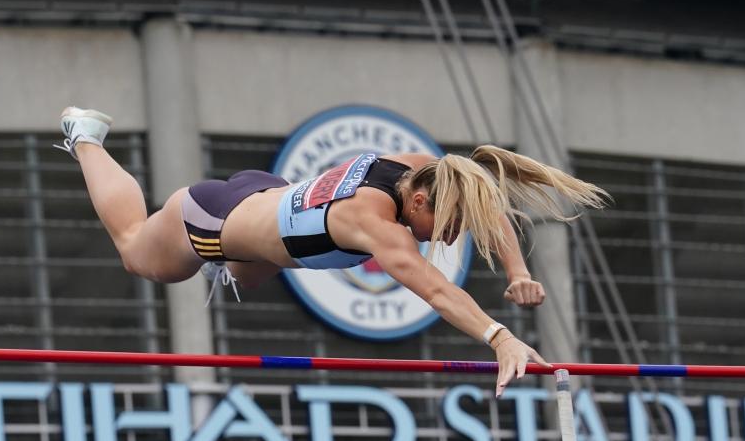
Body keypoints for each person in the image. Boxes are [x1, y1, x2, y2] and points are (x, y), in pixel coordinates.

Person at [57, 107, 608, 397]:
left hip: (266, 197)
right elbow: (438, 291)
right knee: (136, 251)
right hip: (210, 217)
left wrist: (517, 270)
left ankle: (236, 264)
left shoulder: (427, 170)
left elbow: (482, 199)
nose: (447, 237)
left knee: (250, 274)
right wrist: (500, 337)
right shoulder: (375, 223)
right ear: (418, 202)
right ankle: (85, 137)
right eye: (446, 226)